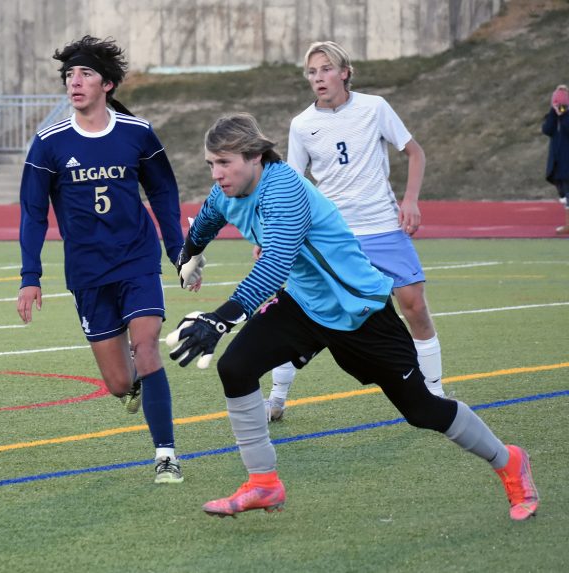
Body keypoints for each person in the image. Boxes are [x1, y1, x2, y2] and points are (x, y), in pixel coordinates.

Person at [168, 112, 539, 520]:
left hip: (359, 311)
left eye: (225, 162)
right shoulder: (227, 191)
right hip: (306, 306)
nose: (217, 173)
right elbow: (206, 218)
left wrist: (220, 319)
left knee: (423, 411)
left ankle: (509, 461)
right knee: (236, 368)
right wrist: (190, 253)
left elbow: (274, 264)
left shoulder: (284, 188)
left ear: (255, 156)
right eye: (211, 164)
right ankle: (263, 484)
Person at [17, 36, 187, 483]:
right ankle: (135, 386)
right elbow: (33, 213)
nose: (75, 81)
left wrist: (178, 251)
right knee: (117, 383)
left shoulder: (137, 133)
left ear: (107, 84)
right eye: (70, 75)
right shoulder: (48, 143)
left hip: (137, 259)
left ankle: (166, 453)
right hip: (88, 272)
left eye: (86, 73)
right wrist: (29, 275)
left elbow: (164, 192)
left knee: (147, 346)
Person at [263, 40, 444, 423]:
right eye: (312, 72)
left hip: (382, 227)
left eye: (326, 69)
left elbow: (415, 152)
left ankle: (436, 392)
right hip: (331, 236)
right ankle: (277, 398)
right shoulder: (302, 125)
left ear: (344, 72)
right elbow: (293, 186)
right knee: (304, 312)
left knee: (414, 305)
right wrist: (275, 235)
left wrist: (410, 201)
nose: (318, 78)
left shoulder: (375, 108)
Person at [543, 84, 569, 235]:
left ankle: (568, 224)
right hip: (557, 161)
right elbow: (547, 129)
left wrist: (564, 114)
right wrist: (553, 112)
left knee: (568, 192)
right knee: (562, 192)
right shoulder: (554, 115)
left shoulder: (566, 116)